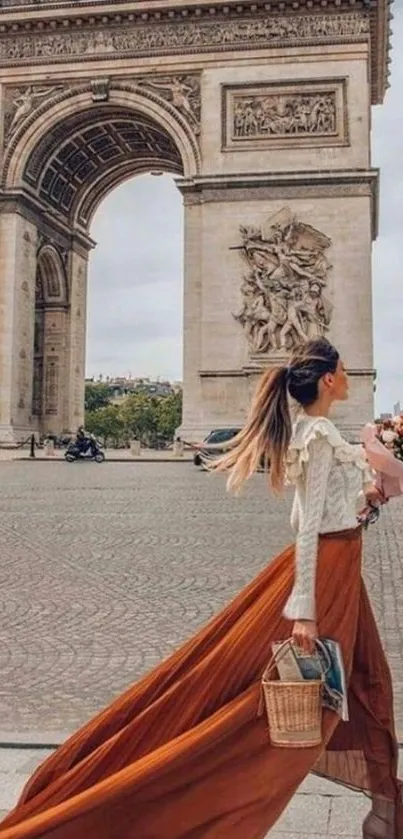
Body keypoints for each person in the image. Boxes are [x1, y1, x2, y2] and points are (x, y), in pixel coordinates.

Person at [0, 338, 401, 839]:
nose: (350, 377)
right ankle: (175, 791)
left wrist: (365, 502)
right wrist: (303, 609)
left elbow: (317, 509)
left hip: (339, 565)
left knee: (367, 679)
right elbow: (305, 523)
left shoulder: (316, 431)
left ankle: (385, 811)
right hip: (326, 574)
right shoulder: (317, 434)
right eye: (343, 370)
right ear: (327, 379)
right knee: (306, 694)